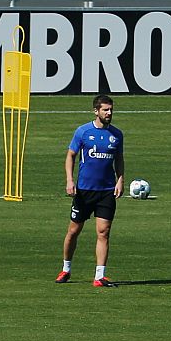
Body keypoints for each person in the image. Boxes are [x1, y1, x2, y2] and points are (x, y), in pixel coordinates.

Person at [57, 94, 124, 287]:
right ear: (96, 111)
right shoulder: (83, 132)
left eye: (111, 109)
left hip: (107, 191)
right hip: (84, 191)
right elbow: (70, 156)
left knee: (103, 232)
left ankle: (99, 276)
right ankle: (66, 269)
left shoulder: (117, 134)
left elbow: (119, 159)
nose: (109, 113)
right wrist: (70, 180)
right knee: (74, 231)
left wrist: (120, 180)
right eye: (105, 110)